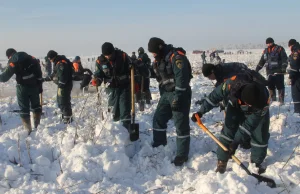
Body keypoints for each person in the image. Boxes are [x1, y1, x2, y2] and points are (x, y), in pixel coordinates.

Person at [191, 73, 270, 174]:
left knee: (260, 134)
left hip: (258, 112)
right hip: (235, 105)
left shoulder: (264, 98)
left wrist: (235, 143)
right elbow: (214, 96)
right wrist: (201, 111)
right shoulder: (232, 84)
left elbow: (249, 125)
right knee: (228, 130)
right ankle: (222, 161)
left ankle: (256, 164)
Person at [148, 37, 192, 166]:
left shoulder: (177, 58)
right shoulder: (159, 60)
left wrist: (178, 96)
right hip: (166, 94)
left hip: (180, 93)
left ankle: (182, 155)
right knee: (158, 118)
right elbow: (153, 73)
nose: (153, 55)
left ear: (160, 48)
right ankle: (159, 144)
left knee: (180, 124)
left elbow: (182, 78)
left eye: (154, 52)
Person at [92, 42, 149, 139]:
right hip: (111, 89)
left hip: (124, 87)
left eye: (110, 54)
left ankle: (126, 133)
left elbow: (132, 65)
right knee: (113, 112)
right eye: (106, 55)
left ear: (113, 52)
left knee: (124, 110)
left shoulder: (122, 56)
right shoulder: (99, 62)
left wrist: (132, 67)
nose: (108, 57)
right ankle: (116, 134)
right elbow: (99, 74)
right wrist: (97, 79)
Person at [0, 48, 43, 134]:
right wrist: (39, 86)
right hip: (34, 86)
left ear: (9, 56)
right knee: (36, 106)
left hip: (22, 87)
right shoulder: (31, 58)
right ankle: (37, 126)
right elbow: (39, 72)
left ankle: (28, 130)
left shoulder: (13, 61)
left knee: (24, 108)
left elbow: (5, 77)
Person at [256, 37, 288, 105]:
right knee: (270, 86)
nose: (269, 44)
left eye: (270, 43)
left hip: (279, 71)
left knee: (280, 86)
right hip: (269, 72)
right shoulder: (265, 51)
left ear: (273, 42)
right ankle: (273, 102)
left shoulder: (279, 49)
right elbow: (262, 61)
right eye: (267, 43)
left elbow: (284, 59)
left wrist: (283, 67)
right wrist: (257, 69)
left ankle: (281, 102)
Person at [45, 50, 73, 124]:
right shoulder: (57, 63)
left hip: (64, 86)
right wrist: (45, 79)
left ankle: (67, 120)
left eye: (50, 59)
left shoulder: (61, 64)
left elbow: (63, 77)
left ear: (52, 57)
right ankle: (66, 117)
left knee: (63, 102)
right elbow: (54, 74)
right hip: (62, 86)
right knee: (61, 102)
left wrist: (60, 86)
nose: (50, 61)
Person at [287, 39, 300, 114]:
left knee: (296, 93)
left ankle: (297, 112)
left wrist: (290, 77)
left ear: (291, 45)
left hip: (297, 76)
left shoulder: (295, 52)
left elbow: (294, 66)